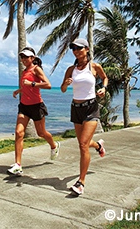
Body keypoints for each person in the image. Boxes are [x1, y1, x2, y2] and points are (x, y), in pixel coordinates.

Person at [60, 38, 108, 195]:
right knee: (84, 143)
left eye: (79, 48)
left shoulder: (94, 66)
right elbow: (62, 89)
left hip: (91, 108)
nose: (76, 50)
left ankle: (81, 182)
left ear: (87, 49)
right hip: (76, 108)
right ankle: (99, 146)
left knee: (82, 145)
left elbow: (105, 78)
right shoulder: (70, 69)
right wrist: (66, 84)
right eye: (73, 48)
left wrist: (103, 88)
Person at [8, 47, 60, 176]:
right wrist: (19, 90)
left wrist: (32, 84)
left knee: (41, 133)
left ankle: (54, 146)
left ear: (32, 58)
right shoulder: (25, 71)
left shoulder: (36, 69)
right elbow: (26, 85)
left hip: (37, 106)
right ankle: (18, 165)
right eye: (22, 57)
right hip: (24, 106)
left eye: (26, 57)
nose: (24, 59)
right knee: (19, 132)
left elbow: (48, 85)